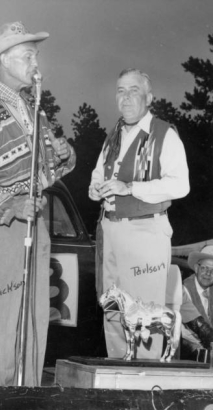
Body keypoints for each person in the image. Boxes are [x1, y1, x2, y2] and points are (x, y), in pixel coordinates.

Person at [0, 22, 75, 386]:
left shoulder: (31, 108)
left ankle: (28, 394)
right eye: (27, 55)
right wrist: (9, 206)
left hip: (33, 224)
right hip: (3, 227)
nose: (35, 61)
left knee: (36, 316)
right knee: (5, 316)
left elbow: (42, 170)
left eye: (35, 54)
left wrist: (63, 156)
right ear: (4, 60)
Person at [89, 68, 190, 360]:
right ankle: (118, 378)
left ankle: (144, 391)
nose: (126, 97)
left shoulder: (164, 133)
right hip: (109, 231)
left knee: (145, 313)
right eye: (121, 90)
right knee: (112, 308)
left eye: (134, 90)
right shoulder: (114, 136)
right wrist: (95, 189)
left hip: (145, 233)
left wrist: (130, 187)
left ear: (149, 97)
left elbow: (180, 185)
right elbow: (98, 176)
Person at [180, 245, 213, 359]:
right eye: (204, 268)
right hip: (192, 352)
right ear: (196, 268)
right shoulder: (182, 291)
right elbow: (182, 332)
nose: (208, 274)